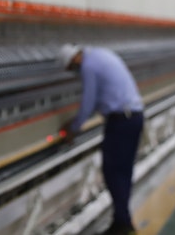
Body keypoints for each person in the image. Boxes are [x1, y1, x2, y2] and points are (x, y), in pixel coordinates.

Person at [59, 44, 144, 235]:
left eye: (73, 68)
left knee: (112, 170)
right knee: (123, 171)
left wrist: (73, 128)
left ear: (75, 59)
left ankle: (123, 223)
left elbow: (89, 102)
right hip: (134, 116)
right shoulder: (100, 54)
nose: (76, 73)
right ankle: (122, 220)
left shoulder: (89, 65)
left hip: (121, 120)